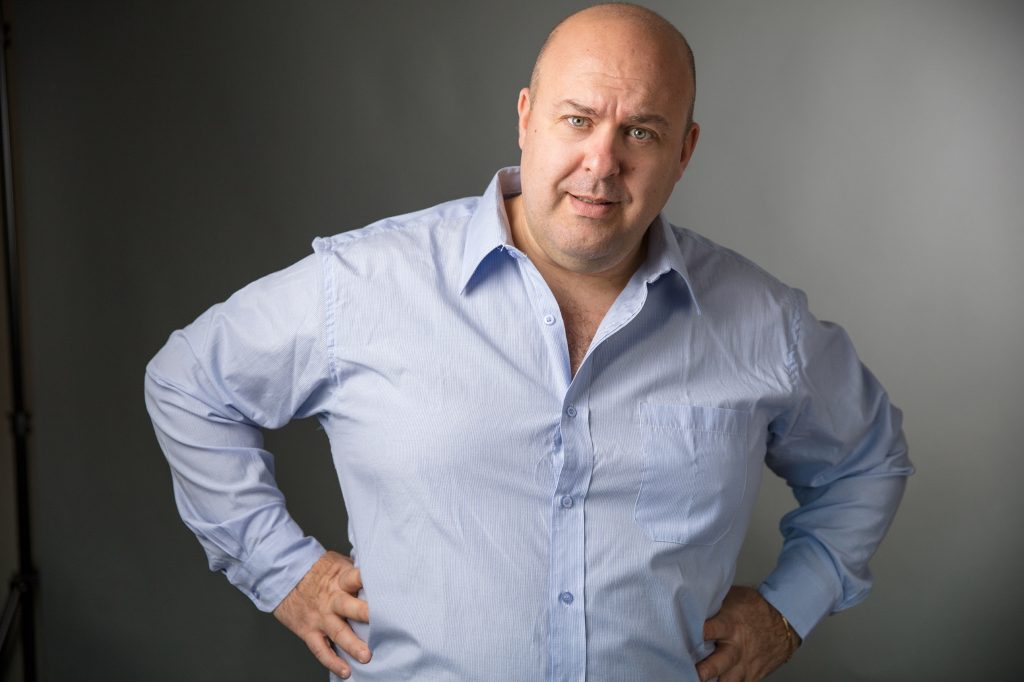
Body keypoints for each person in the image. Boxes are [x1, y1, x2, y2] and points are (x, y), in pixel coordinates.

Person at [144, 3, 912, 681]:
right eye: (577, 120)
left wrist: (787, 611)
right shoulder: (365, 284)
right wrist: (283, 573)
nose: (601, 163)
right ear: (526, 118)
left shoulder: (763, 323)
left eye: (640, 132)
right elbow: (188, 383)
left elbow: (867, 460)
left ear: (684, 151)